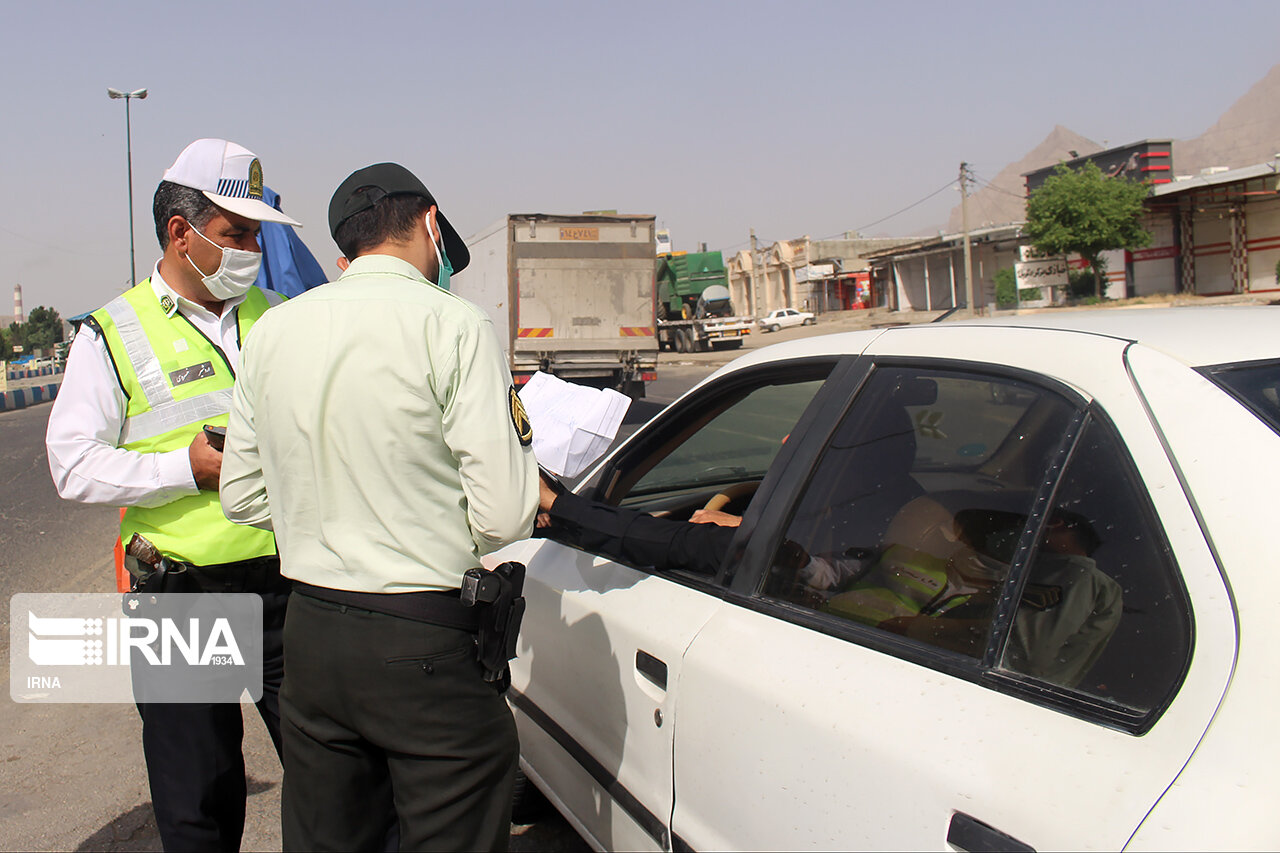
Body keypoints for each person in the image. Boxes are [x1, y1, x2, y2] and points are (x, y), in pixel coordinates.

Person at [220, 162, 539, 852]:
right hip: (424, 640)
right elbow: (507, 515)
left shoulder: (271, 332)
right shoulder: (455, 325)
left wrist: (328, 514)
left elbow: (242, 496)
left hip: (311, 637)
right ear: (429, 222)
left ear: (347, 248)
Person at [46, 138, 300, 852]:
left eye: (256, 234)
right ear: (180, 233)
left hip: (292, 583)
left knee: (334, 779)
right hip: (183, 594)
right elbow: (72, 464)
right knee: (200, 803)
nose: (252, 250)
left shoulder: (277, 317)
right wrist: (184, 469)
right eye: (236, 234)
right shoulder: (113, 333)